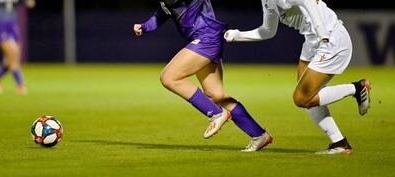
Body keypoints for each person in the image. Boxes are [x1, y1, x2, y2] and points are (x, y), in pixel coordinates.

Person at [224, 0, 371, 154]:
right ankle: (339, 143)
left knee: (302, 98)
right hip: (312, 41)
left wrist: (321, 29)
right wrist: (238, 35)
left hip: (329, 37)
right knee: (307, 99)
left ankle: (357, 88)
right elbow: (268, 30)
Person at [134, 0, 272, 152]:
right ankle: (259, 135)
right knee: (216, 96)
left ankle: (216, 114)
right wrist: (145, 26)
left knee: (169, 77)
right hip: (206, 37)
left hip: (206, 38)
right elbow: (164, 11)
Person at [0, 0, 35, 95]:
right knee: (12, 53)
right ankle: (20, 85)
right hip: (0, 24)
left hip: (12, 24)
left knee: (15, 56)